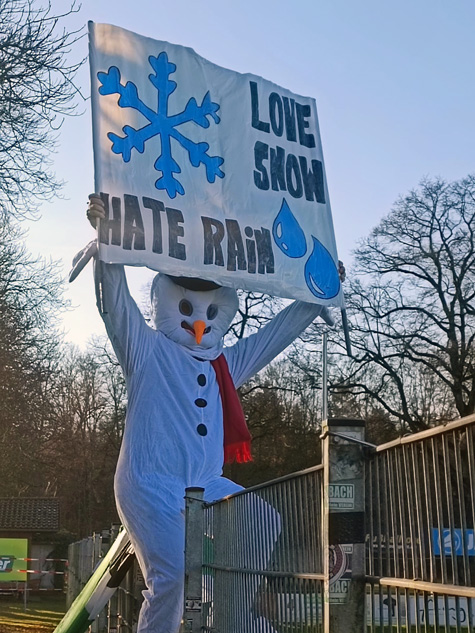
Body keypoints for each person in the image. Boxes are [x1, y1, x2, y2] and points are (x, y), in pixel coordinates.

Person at [86, 195, 338, 633]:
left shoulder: (224, 364)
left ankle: (236, 619)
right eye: (187, 309)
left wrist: (317, 296)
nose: (199, 323)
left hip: (205, 481)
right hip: (150, 483)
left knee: (260, 519)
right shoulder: (147, 351)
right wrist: (107, 242)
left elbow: (272, 337)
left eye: (210, 313)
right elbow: (115, 306)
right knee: (172, 578)